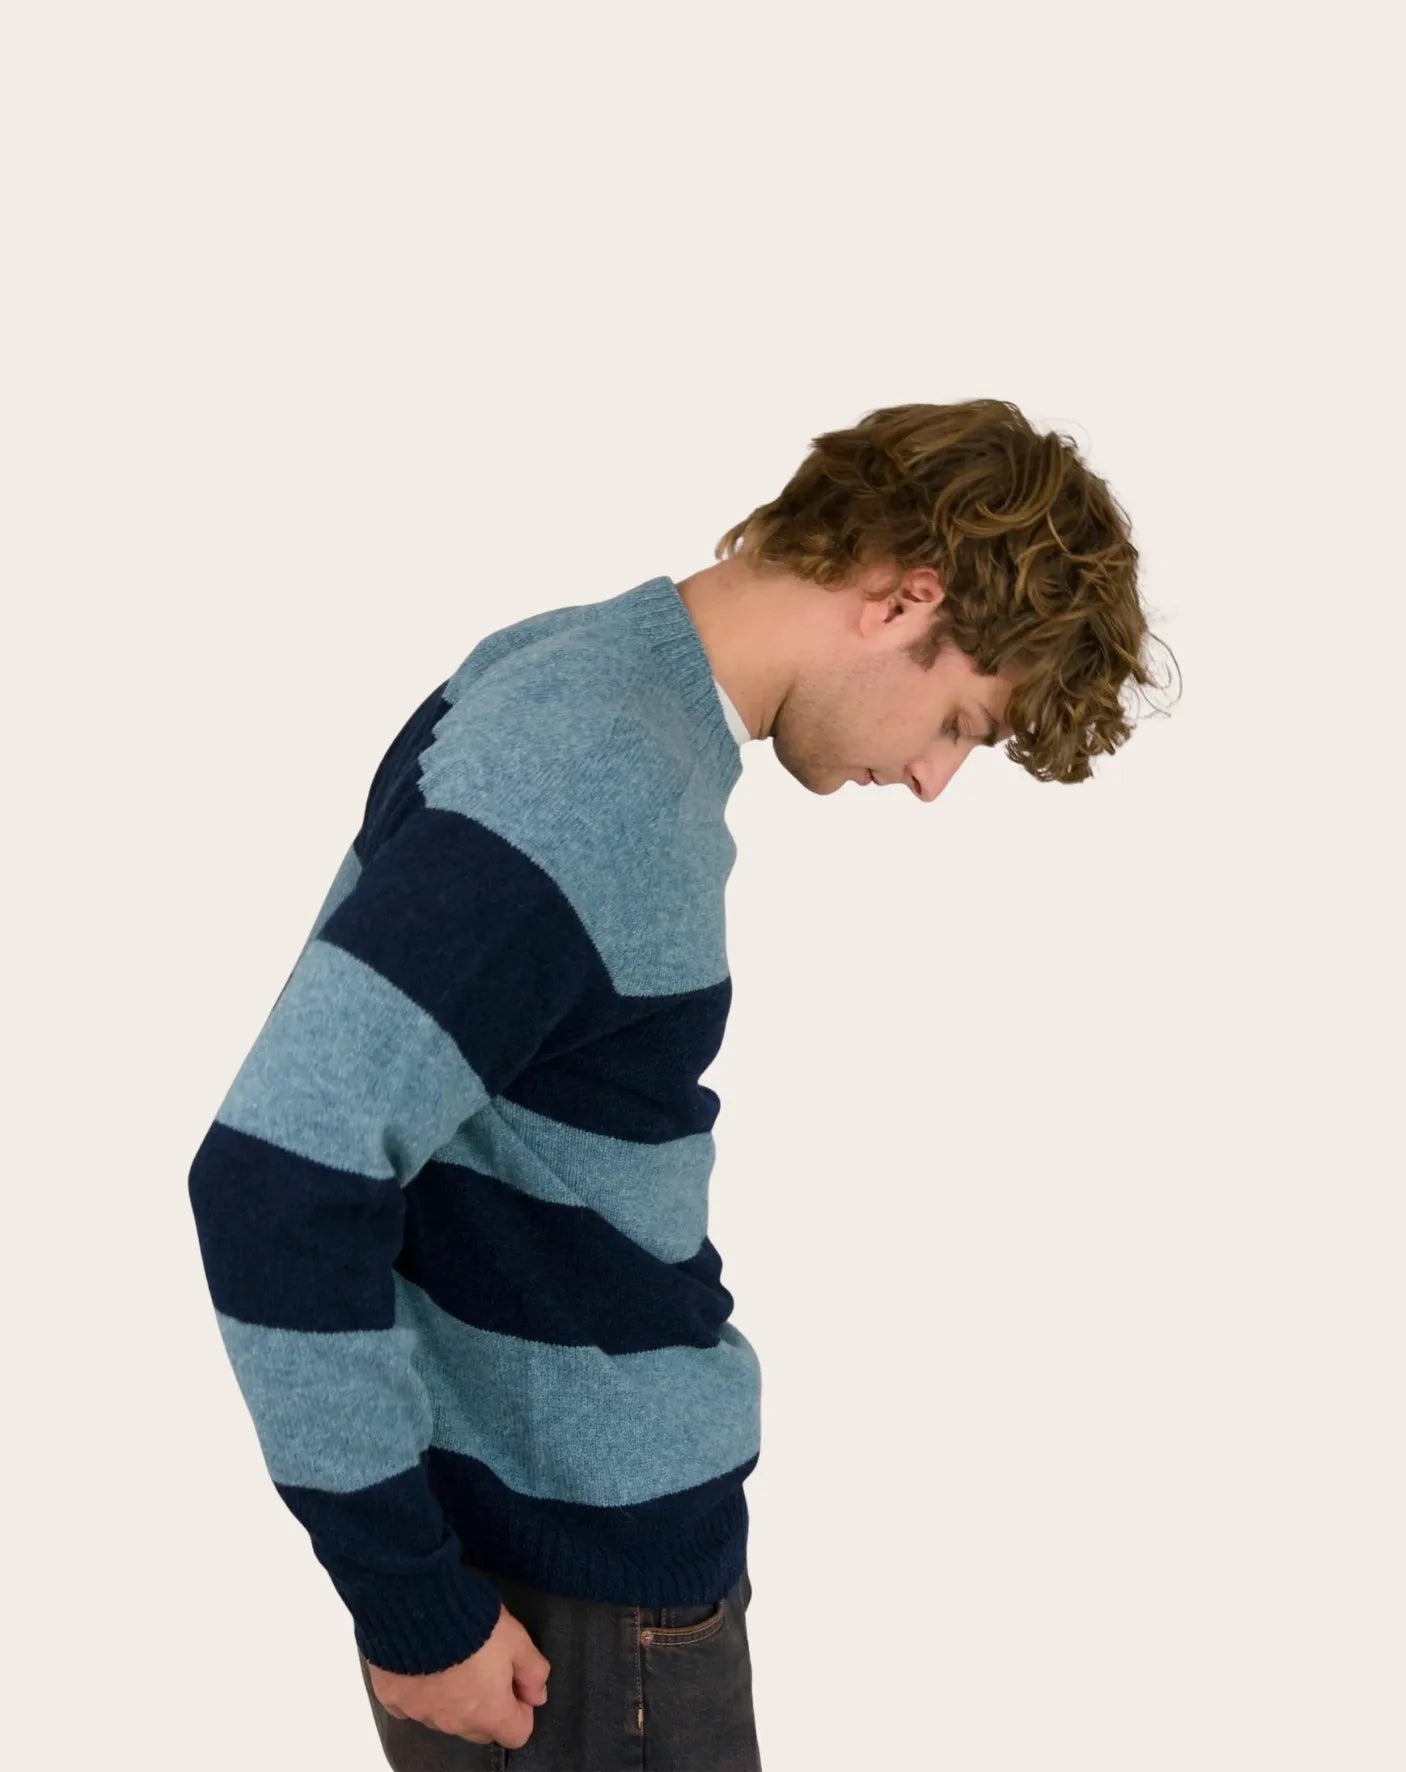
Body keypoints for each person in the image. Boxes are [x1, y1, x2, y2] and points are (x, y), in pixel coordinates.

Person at [187, 398, 1169, 1769]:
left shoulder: (575, 670)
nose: (934, 778)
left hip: (547, 1554)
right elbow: (276, 1177)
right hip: (583, 1598)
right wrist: (410, 1603)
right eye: (961, 720)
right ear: (905, 597)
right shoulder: (599, 776)